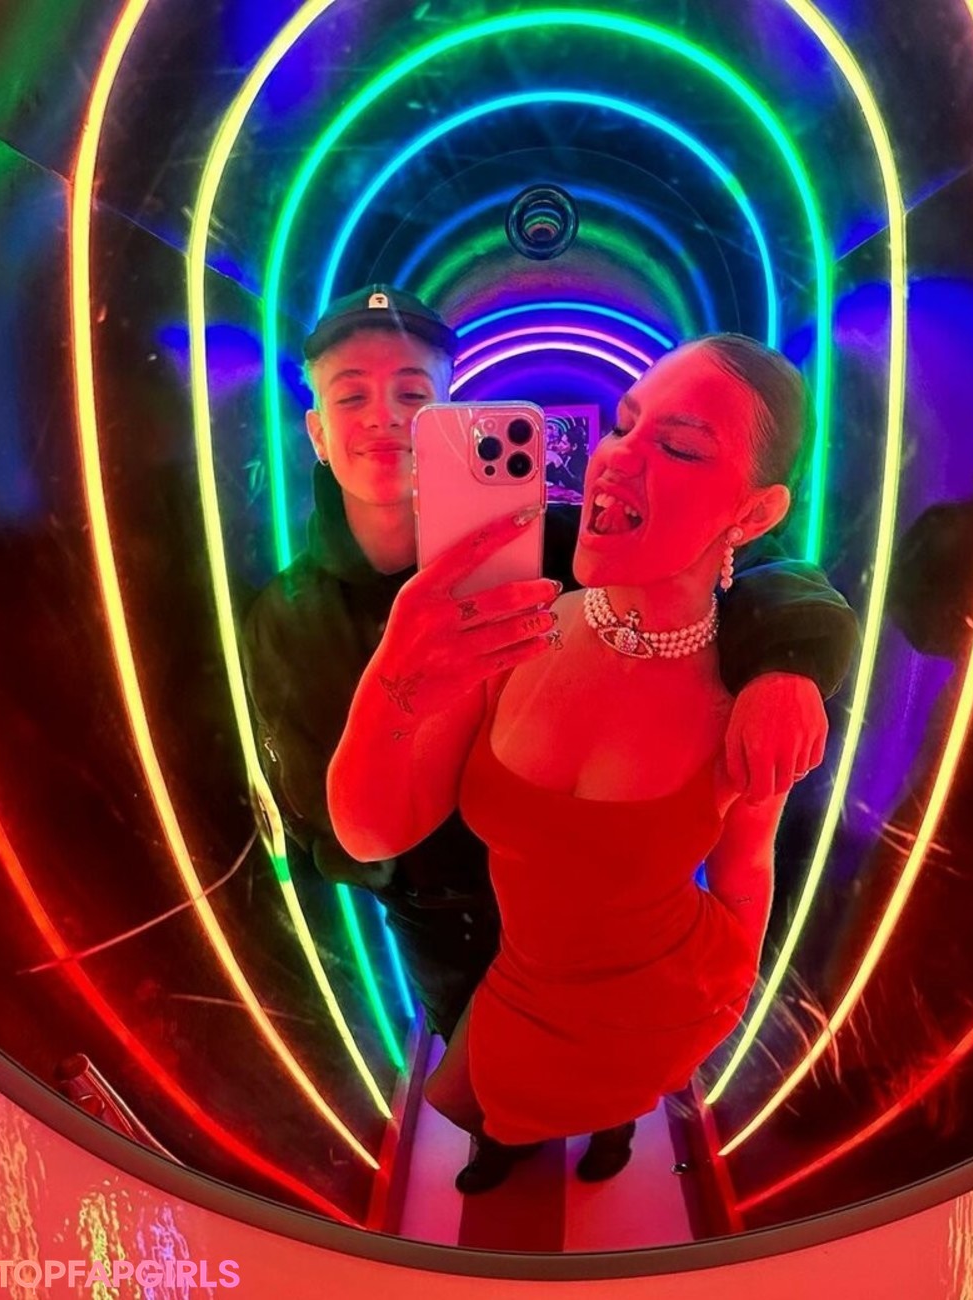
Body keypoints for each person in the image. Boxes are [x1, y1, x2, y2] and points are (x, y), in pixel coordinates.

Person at [242, 285, 857, 1052]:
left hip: (594, 928)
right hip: (445, 930)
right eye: (351, 394)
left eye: (413, 393)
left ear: (448, 415)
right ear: (317, 432)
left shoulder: (557, 546)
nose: (385, 416)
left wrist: (788, 663)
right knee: (484, 1077)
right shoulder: (286, 618)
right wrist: (410, 724)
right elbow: (332, 831)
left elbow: (737, 557)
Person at [328, 333, 821, 1191]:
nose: (618, 456)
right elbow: (372, 834)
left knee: (613, 1109)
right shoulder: (522, 633)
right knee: (502, 1107)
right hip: (522, 987)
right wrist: (391, 683)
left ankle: (614, 1140)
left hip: (664, 1001)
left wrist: (729, 995)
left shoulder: (748, 694)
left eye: (677, 447)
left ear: (753, 514)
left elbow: (746, 868)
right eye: (624, 425)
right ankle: (514, 1147)